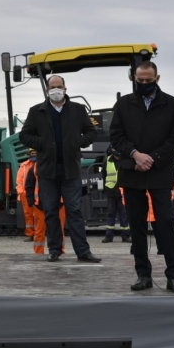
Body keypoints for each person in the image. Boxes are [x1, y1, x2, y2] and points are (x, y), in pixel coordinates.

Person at [109, 61, 174, 293]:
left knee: (166, 223)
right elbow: (116, 135)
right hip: (131, 173)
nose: (143, 84)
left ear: (157, 78)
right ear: (134, 78)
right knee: (137, 226)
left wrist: (151, 158)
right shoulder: (123, 104)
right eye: (139, 80)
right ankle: (143, 275)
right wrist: (135, 155)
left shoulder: (172, 104)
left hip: (160, 173)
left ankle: (173, 276)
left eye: (148, 81)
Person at [19, 75, 101, 263]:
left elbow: (91, 132)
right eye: (52, 87)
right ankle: (54, 249)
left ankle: (83, 251)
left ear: (65, 88)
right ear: (47, 90)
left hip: (70, 170)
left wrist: (76, 143)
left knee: (74, 210)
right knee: (50, 211)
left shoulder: (78, 110)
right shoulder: (37, 111)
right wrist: (43, 144)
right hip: (47, 171)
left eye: (59, 86)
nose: (56, 90)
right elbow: (25, 135)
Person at [25, 162, 67, 255]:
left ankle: (59, 251)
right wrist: (31, 201)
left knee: (57, 231)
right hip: (41, 205)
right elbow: (29, 185)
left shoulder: (35, 167)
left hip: (55, 204)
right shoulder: (34, 169)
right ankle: (39, 253)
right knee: (40, 232)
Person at [101, 145, 130, 243]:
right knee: (110, 213)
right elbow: (104, 175)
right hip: (111, 191)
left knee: (124, 214)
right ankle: (109, 236)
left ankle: (125, 235)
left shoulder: (125, 160)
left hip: (121, 191)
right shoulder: (108, 161)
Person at [16, 148, 37, 241]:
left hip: (38, 193)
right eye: (32, 153)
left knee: (38, 215)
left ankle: (38, 234)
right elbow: (19, 181)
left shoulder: (42, 164)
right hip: (25, 194)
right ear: (29, 154)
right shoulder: (23, 166)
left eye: (35, 152)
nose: (34, 154)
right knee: (28, 215)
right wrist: (21, 192)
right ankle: (30, 234)